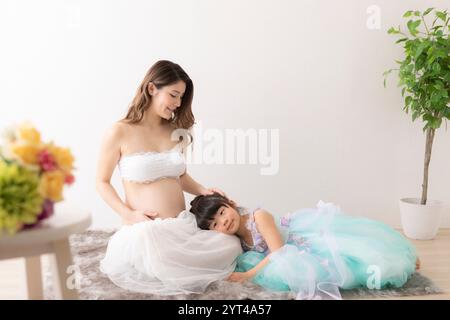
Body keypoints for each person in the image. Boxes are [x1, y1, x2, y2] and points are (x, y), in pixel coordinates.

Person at [96, 60, 242, 295]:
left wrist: (203, 190)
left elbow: (179, 176)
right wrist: (129, 214)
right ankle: (170, 262)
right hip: (147, 230)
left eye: (181, 97)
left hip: (182, 225)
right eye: (173, 95)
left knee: (230, 244)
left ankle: (182, 260)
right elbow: (101, 182)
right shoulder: (119, 131)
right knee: (159, 254)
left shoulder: (175, 131)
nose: (178, 103)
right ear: (152, 89)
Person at [189, 193, 420, 300]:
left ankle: (401, 257)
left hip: (296, 245)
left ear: (230, 204)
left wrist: (249, 274)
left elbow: (280, 252)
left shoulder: (259, 217)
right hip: (278, 254)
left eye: (221, 212)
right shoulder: (235, 240)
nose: (224, 221)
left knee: (351, 260)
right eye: (215, 224)